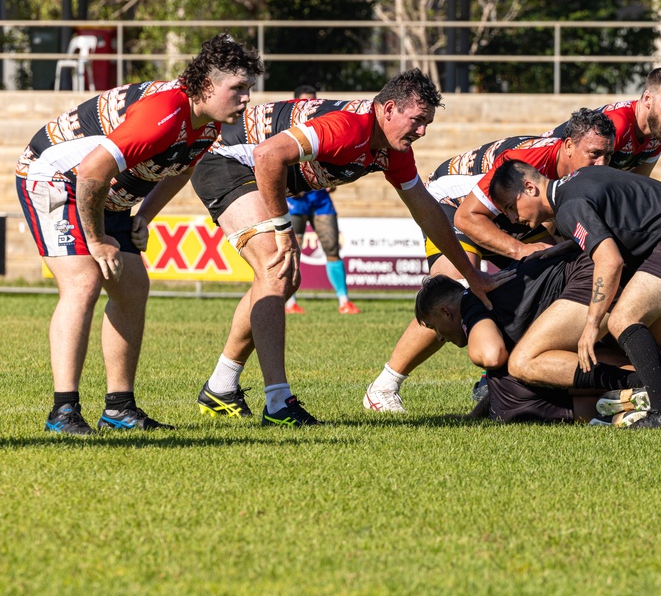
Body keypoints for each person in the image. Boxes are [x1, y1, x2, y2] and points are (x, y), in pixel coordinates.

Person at [190, 69, 499, 426]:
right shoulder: (350, 126)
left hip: (252, 168)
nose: (422, 132)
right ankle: (277, 404)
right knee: (276, 271)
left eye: (426, 123)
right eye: (416, 121)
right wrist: (283, 231)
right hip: (223, 160)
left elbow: (429, 214)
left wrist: (470, 273)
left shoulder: (391, 150)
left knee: (281, 280)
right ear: (387, 111)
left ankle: (221, 387)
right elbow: (267, 156)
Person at [15, 33, 263, 434]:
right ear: (206, 86)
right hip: (56, 178)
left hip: (103, 190)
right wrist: (96, 241)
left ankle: (119, 408)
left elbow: (181, 170)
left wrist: (144, 216)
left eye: (249, 89)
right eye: (238, 88)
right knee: (84, 280)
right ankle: (63, 412)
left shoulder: (209, 124)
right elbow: (91, 173)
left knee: (132, 288)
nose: (246, 98)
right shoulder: (164, 112)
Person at [363, 109, 615, 413]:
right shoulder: (529, 163)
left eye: (607, 156)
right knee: (454, 291)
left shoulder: (576, 171)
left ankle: (507, 376)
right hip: (455, 208)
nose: (601, 164)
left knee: (555, 275)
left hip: (508, 214)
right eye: (594, 154)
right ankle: (385, 385)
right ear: (569, 146)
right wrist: (520, 252)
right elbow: (468, 217)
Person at [489, 162, 661, 429]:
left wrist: (592, 323)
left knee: (623, 320)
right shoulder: (578, 178)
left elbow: (610, 261)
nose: (512, 219)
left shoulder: (568, 207)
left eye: (510, 206)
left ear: (529, 188)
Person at [414, 252, 661, 425]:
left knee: (517, 385)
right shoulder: (496, 296)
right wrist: (475, 414)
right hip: (595, 287)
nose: (439, 337)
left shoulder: (470, 302)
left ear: (446, 311)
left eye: (434, 327)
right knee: (515, 388)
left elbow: (492, 356)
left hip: (590, 284)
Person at [281, 84, 359, 316]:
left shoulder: (325, 128)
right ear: (294, 103)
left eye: (313, 102)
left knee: (332, 247)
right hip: (296, 202)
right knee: (291, 251)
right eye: (304, 102)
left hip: (321, 200)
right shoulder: (284, 130)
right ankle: (289, 302)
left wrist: (332, 180)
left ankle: (344, 301)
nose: (310, 106)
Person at [543, 67, 661, 176]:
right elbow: (579, 177)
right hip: (541, 173)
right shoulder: (618, 124)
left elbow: (639, 183)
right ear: (647, 99)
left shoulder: (657, 129)